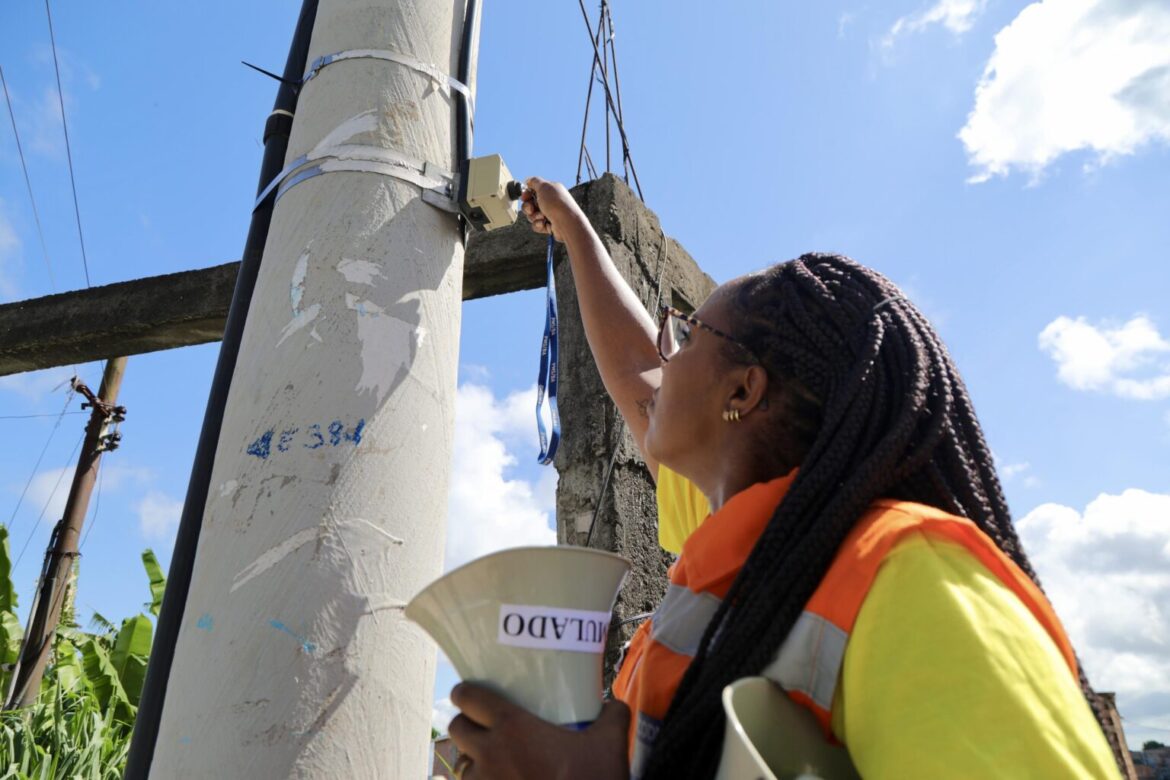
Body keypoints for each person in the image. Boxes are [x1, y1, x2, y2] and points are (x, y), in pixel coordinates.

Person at [445, 178, 1120, 779]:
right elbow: (638, 381)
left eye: (684, 332)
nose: (662, 350)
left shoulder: (912, 576)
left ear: (741, 391)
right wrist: (574, 229)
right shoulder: (748, 545)